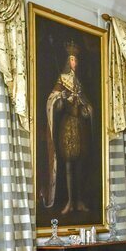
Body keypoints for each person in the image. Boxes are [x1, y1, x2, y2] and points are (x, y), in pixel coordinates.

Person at [42, 41, 95, 215]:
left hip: (79, 127)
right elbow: (53, 102)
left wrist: (87, 108)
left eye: (76, 60)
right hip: (67, 126)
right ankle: (69, 201)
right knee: (68, 164)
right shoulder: (62, 79)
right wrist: (62, 99)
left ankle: (79, 200)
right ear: (68, 61)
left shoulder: (78, 83)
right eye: (72, 60)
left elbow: (86, 106)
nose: (75, 63)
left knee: (80, 165)